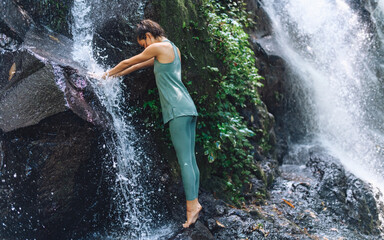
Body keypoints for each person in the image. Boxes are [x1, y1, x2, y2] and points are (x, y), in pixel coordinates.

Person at [101, 19, 202, 228]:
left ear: (148, 36)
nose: (145, 48)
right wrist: (113, 76)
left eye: (143, 44)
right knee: (190, 159)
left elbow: (128, 61)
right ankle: (195, 202)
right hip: (188, 108)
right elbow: (136, 66)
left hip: (176, 109)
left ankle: (192, 208)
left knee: (184, 160)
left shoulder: (157, 46)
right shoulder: (172, 49)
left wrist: (103, 74)